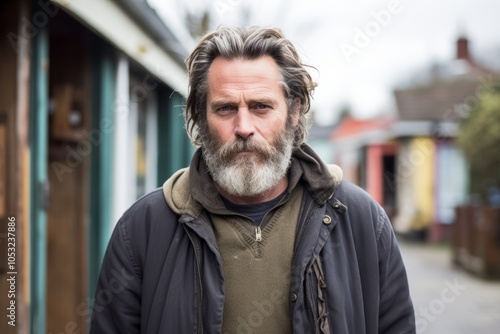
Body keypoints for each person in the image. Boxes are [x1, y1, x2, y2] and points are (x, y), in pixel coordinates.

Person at [90, 26, 415, 334]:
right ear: (201, 118)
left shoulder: (360, 222)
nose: (243, 126)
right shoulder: (144, 230)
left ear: (293, 111)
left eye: (261, 106)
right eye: (226, 108)